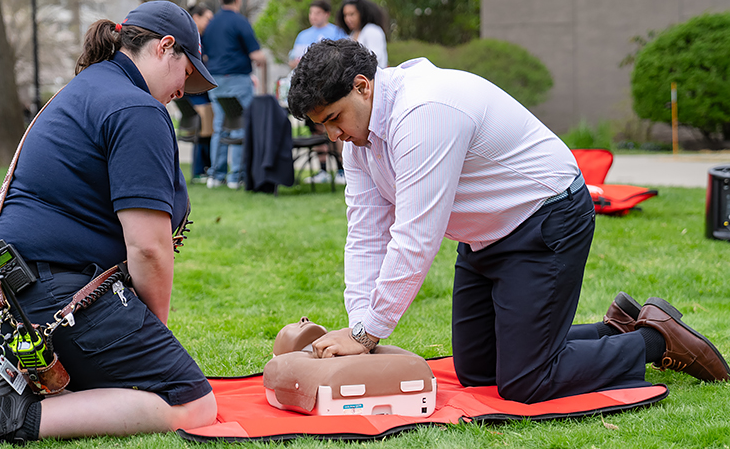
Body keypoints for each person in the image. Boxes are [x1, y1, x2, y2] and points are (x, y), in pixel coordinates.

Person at [286, 39, 730, 404]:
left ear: (363, 86)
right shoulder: (359, 142)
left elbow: (416, 237)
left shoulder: (422, 112)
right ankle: (612, 330)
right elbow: (365, 234)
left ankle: (655, 341)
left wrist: (366, 334)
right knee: (478, 372)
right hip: (483, 237)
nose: (332, 135)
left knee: (526, 382)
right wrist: (359, 327)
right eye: (322, 126)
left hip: (546, 217)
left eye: (334, 119)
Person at [0, 1, 218, 448]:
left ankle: (22, 382)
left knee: (119, 389)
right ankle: (11, 415)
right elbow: (148, 248)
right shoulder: (138, 109)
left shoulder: (81, 90)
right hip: (46, 296)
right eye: (187, 73)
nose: (185, 90)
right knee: (191, 402)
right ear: (165, 48)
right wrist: (152, 333)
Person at [202, 0, 266, 189]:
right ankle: (235, 176)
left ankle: (215, 175)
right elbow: (256, 55)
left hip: (215, 80)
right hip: (237, 79)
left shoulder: (211, 25)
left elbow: (204, 55)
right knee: (239, 126)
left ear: (221, 0)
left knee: (220, 126)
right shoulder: (240, 22)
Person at [288, 0, 349, 186]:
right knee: (315, 128)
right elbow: (292, 61)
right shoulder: (303, 36)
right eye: (311, 13)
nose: (313, 17)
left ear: (326, 14)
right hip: (309, 93)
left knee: (334, 128)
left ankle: (341, 169)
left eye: (317, 13)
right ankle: (322, 170)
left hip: (329, 92)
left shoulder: (337, 33)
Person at [186, 3, 215, 183]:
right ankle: (199, 171)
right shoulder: (193, 39)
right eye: (208, 19)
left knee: (204, 131)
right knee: (203, 131)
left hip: (198, 94)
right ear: (196, 18)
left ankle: (203, 169)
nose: (210, 23)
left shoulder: (202, 38)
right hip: (197, 94)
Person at [336, 0, 387, 68]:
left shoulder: (372, 30)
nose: (347, 19)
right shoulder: (351, 35)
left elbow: (375, 57)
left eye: (352, 14)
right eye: (345, 15)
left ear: (362, 14)